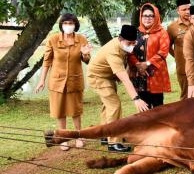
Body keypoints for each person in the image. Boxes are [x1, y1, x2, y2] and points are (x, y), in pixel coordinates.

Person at [87, 25, 150, 152]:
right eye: (129, 43)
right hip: (98, 77)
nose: (132, 45)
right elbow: (125, 79)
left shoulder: (122, 46)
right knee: (114, 105)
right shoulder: (113, 52)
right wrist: (136, 98)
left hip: (107, 76)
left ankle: (104, 134)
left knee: (108, 105)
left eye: (134, 43)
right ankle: (114, 143)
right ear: (121, 39)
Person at [35, 13, 92, 150]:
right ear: (61, 25)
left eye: (70, 23)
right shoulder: (53, 39)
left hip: (75, 80)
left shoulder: (81, 39)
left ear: (75, 25)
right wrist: (41, 80)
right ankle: (63, 139)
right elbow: (47, 61)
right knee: (60, 111)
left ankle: (79, 135)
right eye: (65, 23)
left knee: (75, 110)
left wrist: (84, 54)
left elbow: (87, 60)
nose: (68, 26)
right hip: (57, 81)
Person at [128, 3, 171, 108]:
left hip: (156, 74)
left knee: (158, 109)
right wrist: (138, 64)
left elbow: (163, 52)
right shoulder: (135, 32)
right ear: (141, 17)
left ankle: (159, 125)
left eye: (151, 16)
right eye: (145, 15)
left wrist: (147, 63)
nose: (147, 18)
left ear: (156, 16)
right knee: (144, 110)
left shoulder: (162, 33)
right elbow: (130, 51)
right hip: (139, 75)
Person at [167, 0, 191, 99]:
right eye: (184, 9)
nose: (187, 11)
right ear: (178, 11)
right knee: (186, 96)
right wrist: (178, 56)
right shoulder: (172, 27)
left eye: (189, 8)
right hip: (183, 68)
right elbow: (167, 46)